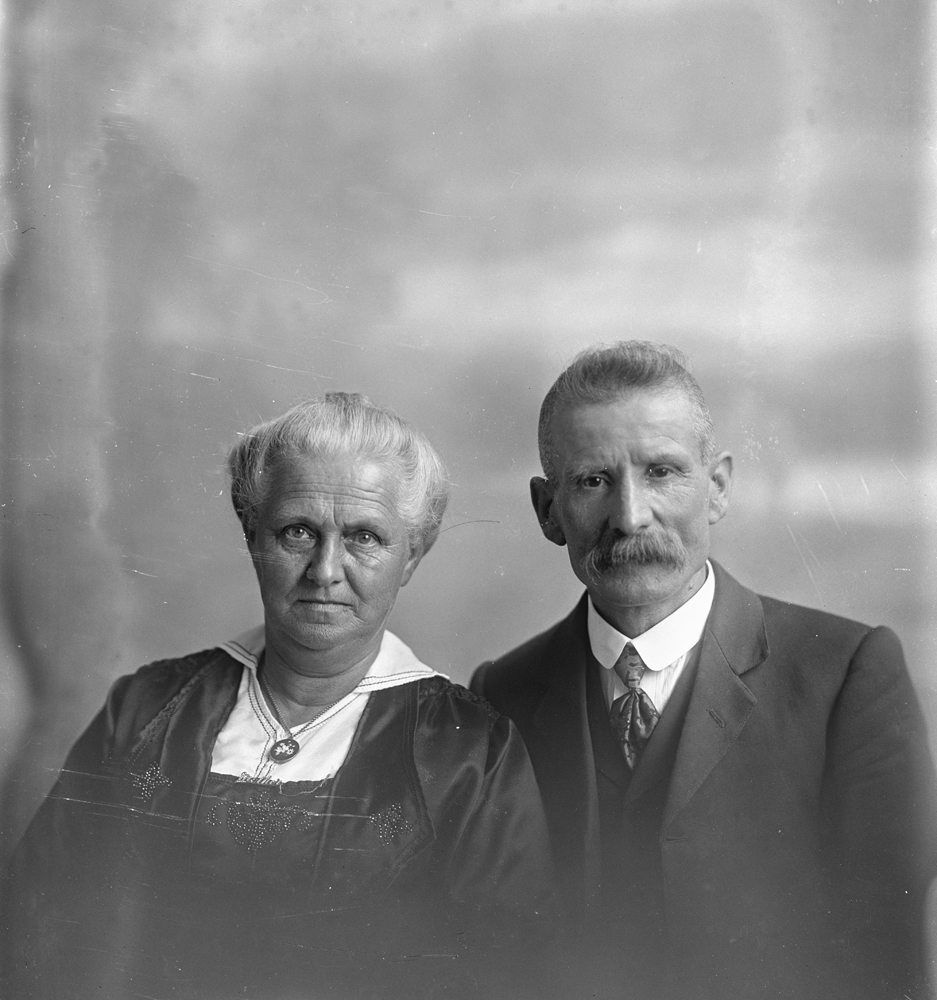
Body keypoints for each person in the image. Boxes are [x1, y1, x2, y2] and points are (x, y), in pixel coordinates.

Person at [5, 392, 553, 1000]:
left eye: (364, 537)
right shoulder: (145, 710)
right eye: (297, 531)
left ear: (411, 557)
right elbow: (40, 930)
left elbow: (507, 974)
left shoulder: (470, 753)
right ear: (252, 536)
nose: (325, 570)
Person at [471, 341, 937, 1000]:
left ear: (715, 488)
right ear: (547, 510)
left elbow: (887, 964)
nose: (630, 516)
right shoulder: (502, 696)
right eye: (593, 481)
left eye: (661, 472)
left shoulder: (846, 677)